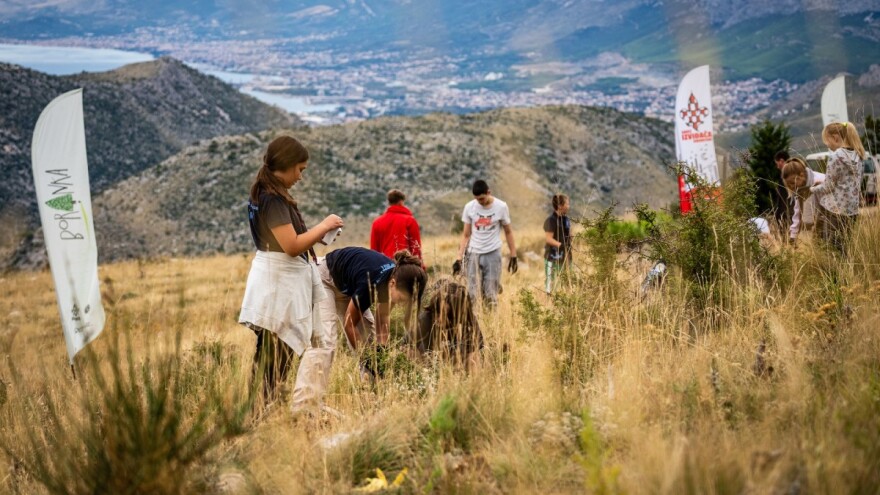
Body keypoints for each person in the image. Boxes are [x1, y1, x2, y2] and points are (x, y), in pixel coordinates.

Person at [238, 135, 344, 411]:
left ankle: (261, 412)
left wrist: (316, 237)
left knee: (271, 358)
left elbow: (290, 240)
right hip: (279, 288)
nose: (300, 176)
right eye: (299, 169)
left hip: (276, 283)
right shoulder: (272, 199)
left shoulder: (265, 193)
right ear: (284, 165)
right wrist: (324, 225)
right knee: (274, 358)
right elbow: (290, 246)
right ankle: (261, 414)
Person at [317, 247, 427, 377]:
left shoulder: (395, 277)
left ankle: (370, 388)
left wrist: (381, 352)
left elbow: (383, 316)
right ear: (392, 283)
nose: (401, 303)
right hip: (325, 277)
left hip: (350, 285)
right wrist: (367, 359)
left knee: (369, 338)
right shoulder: (370, 283)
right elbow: (349, 324)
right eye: (402, 298)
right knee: (327, 341)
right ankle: (312, 395)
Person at [453, 179, 518, 307]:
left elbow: (508, 231)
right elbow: (466, 235)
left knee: (490, 293)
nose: (480, 202)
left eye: (482, 199)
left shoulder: (501, 207)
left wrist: (513, 255)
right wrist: (459, 258)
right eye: (477, 199)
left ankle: (492, 323)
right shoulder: (469, 207)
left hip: (493, 253)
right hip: (473, 253)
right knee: (472, 294)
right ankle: (475, 322)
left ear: (489, 192)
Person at [810, 121, 866, 254]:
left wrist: (812, 189)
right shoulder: (859, 154)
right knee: (843, 247)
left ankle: (832, 274)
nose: (827, 145)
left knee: (827, 248)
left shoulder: (835, 156)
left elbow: (828, 187)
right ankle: (847, 273)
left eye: (827, 141)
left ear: (835, 138)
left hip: (833, 210)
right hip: (852, 211)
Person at [414, 278, 483, 369]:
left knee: (474, 358)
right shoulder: (426, 319)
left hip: (455, 360)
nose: (438, 318)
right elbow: (408, 347)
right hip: (430, 362)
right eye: (438, 312)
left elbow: (474, 349)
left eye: (444, 314)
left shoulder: (468, 321)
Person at [370, 189, 424, 266]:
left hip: (385, 266)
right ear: (401, 202)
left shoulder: (377, 222)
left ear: (389, 202)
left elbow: (374, 252)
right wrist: (420, 266)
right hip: (405, 265)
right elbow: (415, 247)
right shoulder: (409, 220)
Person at [781, 157, 825, 244]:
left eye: (792, 183)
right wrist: (793, 236)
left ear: (801, 175)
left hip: (830, 222)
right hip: (816, 226)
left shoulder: (820, 181)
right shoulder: (800, 189)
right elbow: (798, 213)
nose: (791, 187)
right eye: (788, 185)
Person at [543, 193, 572, 294]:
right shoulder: (551, 220)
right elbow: (549, 239)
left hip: (566, 256)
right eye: (567, 204)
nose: (569, 206)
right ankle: (549, 302)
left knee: (567, 281)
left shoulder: (567, 220)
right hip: (552, 256)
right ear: (560, 206)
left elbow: (569, 236)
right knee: (551, 283)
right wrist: (561, 245)